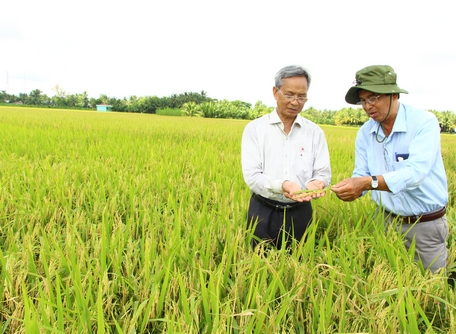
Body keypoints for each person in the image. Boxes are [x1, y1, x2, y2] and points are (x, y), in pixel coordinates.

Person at [331, 65, 449, 273]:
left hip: (424, 225)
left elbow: (415, 174)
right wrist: (353, 189)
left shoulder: (423, 123)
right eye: (363, 101)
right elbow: (362, 173)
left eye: (374, 98)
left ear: (394, 94)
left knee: (431, 288)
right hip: (384, 220)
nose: (368, 106)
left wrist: (367, 183)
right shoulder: (366, 132)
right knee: (386, 281)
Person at [241, 65, 331, 250]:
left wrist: (317, 183)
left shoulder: (315, 132)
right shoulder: (255, 129)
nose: (295, 102)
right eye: (289, 95)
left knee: (300, 264)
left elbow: (323, 172)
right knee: (258, 267)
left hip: (300, 212)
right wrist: (281, 186)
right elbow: (252, 175)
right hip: (263, 210)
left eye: (301, 96)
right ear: (276, 92)